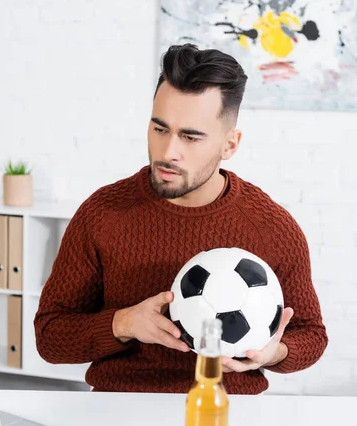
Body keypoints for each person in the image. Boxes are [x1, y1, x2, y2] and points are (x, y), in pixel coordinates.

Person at [34, 44, 328, 394]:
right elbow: (49, 338)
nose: (169, 152)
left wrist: (272, 352)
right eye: (160, 130)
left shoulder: (273, 228)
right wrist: (123, 323)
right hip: (121, 412)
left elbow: (311, 334)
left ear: (229, 145)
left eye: (190, 137)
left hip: (230, 416)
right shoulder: (102, 214)